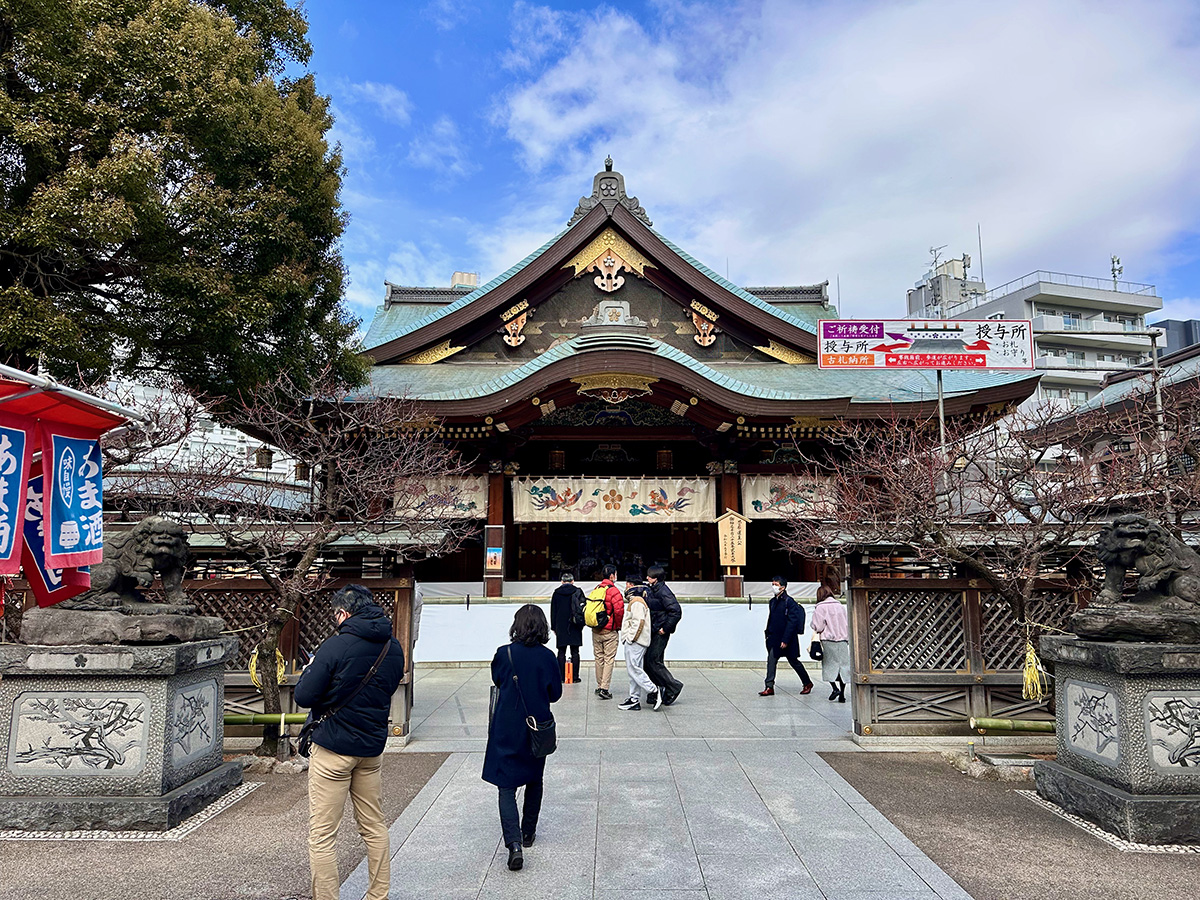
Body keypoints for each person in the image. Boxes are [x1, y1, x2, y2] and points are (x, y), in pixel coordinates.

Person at [295, 584, 406, 900]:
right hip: (370, 749)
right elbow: (388, 687)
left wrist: (311, 671)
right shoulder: (393, 647)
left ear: (342, 613)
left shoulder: (334, 647)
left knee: (322, 835)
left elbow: (304, 696)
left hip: (333, 748)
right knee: (374, 826)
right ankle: (378, 895)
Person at [482, 604, 562, 872]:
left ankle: (513, 844)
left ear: (517, 625)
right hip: (536, 727)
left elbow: (498, 679)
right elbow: (555, 694)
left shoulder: (504, 654)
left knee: (505, 786)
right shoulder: (549, 657)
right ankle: (528, 832)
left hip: (506, 725)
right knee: (534, 778)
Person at [759, 575, 814, 697]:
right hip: (774, 638)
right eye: (772, 584)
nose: (773, 587)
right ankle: (769, 686)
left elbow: (792, 622)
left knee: (794, 661)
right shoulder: (773, 602)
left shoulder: (790, 602)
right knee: (771, 661)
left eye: (776, 585)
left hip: (787, 639)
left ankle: (807, 682)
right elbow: (771, 619)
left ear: (783, 587)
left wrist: (785, 639)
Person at [644, 565, 683, 705]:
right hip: (654, 630)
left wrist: (665, 628)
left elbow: (676, 611)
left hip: (660, 632)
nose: (647, 578)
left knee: (653, 661)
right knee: (648, 663)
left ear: (656, 578)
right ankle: (656, 691)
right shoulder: (653, 589)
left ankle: (673, 686)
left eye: (650, 576)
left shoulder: (663, 591)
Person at [618, 575, 659, 710]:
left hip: (636, 642)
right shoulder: (638, 600)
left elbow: (638, 621)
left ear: (631, 585)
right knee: (634, 670)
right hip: (637, 641)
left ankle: (654, 690)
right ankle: (634, 699)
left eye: (627, 584)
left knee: (634, 669)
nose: (625, 588)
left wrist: (630, 638)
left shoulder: (636, 601)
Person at [812, 574, 850, 703]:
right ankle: (842, 694)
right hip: (843, 640)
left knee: (830, 666)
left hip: (829, 641)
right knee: (843, 667)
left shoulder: (820, 607)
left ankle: (834, 688)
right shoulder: (840, 606)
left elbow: (818, 626)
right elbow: (846, 623)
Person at [590, 564, 625, 700]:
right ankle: (604, 688)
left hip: (596, 629)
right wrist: (617, 626)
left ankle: (599, 686)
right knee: (608, 659)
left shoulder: (597, 588)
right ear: (612, 575)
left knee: (598, 658)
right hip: (609, 631)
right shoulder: (613, 591)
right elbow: (619, 611)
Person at [549, 572, 584, 683]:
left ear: (562, 581)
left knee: (561, 651)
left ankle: (561, 676)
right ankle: (575, 677)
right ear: (573, 581)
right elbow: (583, 609)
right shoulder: (578, 591)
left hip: (561, 625)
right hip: (574, 624)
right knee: (575, 651)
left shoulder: (556, 593)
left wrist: (554, 626)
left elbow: (553, 611)